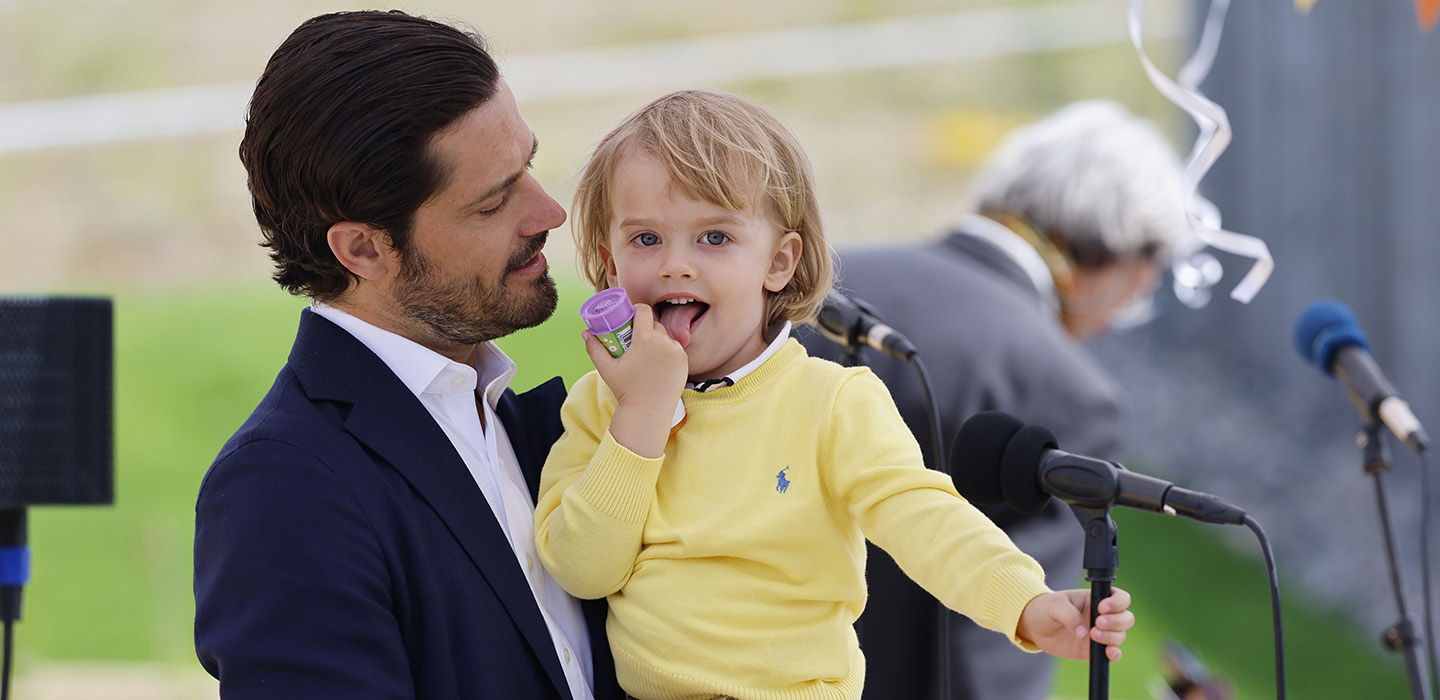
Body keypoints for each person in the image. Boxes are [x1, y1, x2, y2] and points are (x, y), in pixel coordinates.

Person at [532, 89, 1134, 700]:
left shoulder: (832, 401)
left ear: (779, 263)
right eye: (645, 240)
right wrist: (642, 414)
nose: (675, 266)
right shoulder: (602, 404)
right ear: (609, 266)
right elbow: (583, 569)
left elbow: (925, 518)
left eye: (714, 238)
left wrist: (1025, 602)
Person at [192, 10, 623, 700]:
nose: (549, 213)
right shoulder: (283, 487)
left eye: (528, 166)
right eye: (492, 202)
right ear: (363, 249)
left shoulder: (541, 423)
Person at [798, 100, 1193, 700]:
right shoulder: (1067, 390)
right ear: (1123, 251)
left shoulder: (825, 281)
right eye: (1155, 267)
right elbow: (995, 655)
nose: (1146, 292)